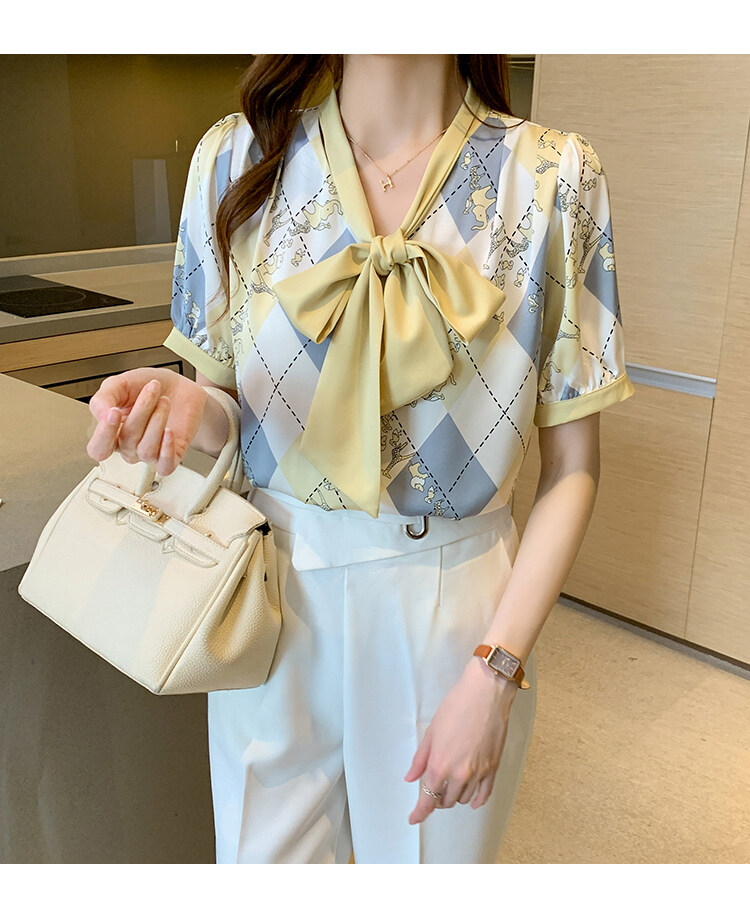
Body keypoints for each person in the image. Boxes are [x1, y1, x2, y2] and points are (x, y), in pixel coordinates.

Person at [86, 54, 635, 864]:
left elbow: (573, 470)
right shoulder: (236, 159)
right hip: (269, 591)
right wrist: (186, 405)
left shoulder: (554, 177)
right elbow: (226, 409)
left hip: (453, 609)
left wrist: (497, 671)